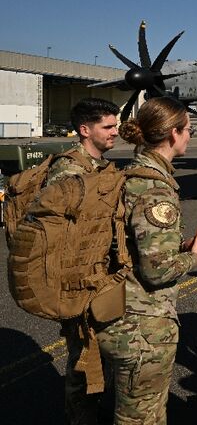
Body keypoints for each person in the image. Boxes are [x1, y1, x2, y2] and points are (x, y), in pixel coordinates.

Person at [102, 96, 197, 424]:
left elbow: (132, 244)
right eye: (188, 130)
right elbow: (156, 270)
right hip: (143, 327)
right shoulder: (155, 189)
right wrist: (194, 257)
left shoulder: (133, 175)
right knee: (140, 418)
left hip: (122, 315)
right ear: (173, 134)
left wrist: (183, 247)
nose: (190, 136)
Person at [44, 98, 120, 425]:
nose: (116, 132)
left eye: (115, 125)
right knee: (84, 361)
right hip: (78, 284)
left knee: (103, 359)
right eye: (108, 127)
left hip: (100, 278)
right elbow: (55, 233)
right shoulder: (69, 171)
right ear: (85, 130)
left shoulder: (99, 167)